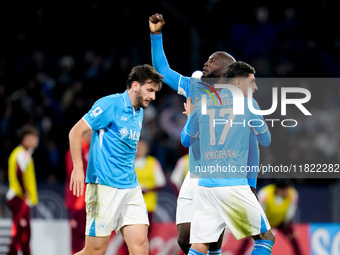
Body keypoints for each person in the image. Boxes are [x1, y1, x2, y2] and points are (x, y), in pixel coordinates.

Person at [149, 13, 236, 255]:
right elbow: (162, 70)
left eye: (212, 61)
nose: (206, 63)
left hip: (217, 174)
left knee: (209, 241)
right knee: (184, 239)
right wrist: (156, 35)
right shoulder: (195, 86)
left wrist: (196, 116)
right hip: (194, 171)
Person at [181, 61, 275, 255]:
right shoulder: (249, 104)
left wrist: (190, 116)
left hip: (205, 188)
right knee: (266, 239)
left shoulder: (204, 102)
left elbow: (185, 141)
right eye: (252, 82)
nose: (255, 87)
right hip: (233, 186)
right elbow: (265, 140)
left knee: (201, 247)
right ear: (239, 83)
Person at [68, 64, 163, 255]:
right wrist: (78, 168)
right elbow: (76, 131)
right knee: (95, 251)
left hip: (130, 187)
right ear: (135, 85)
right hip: (103, 186)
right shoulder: (109, 105)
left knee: (141, 246)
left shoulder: (139, 111)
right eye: (150, 90)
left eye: (155, 92)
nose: (153, 96)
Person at [6, 125, 39, 255]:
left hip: (21, 199)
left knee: (25, 234)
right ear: (26, 139)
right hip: (19, 199)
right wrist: (24, 193)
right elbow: (19, 173)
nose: (37, 140)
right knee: (19, 234)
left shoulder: (23, 154)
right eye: (34, 137)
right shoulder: (22, 154)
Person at [65, 130, 92, 254]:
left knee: (85, 236)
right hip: (78, 201)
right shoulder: (77, 149)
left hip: (85, 200)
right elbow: (73, 174)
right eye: (92, 133)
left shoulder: (87, 149)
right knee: (78, 237)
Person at [258, 179, 301, 255]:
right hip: (265, 221)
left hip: (281, 222)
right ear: (279, 190)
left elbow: (290, 213)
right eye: (286, 189)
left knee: (293, 239)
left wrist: (290, 229)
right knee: (249, 237)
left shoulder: (293, 194)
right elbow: (259, 212)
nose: (288, 191)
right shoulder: (264, 194)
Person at [135, 139, 166, 235]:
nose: (139, 149)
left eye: (141, 147)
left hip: (148, 205)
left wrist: (148, 190)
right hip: (131, 205)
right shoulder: (128, 163)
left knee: (146, 234)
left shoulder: (153, 162)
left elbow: (161, 183)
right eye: (137, 147)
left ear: (146, 149)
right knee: (131, 233)